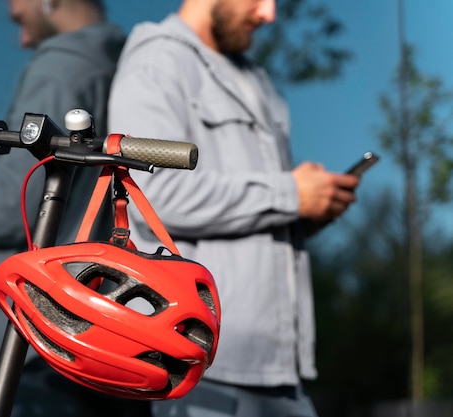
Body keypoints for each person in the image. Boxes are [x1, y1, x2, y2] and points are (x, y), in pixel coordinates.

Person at [107, 0, 361, 416]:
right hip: (204, 369)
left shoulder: (255, 78)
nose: (269, 14)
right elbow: (153, 195)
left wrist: (307, 208)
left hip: (280, 372)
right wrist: (288, 195)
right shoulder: (158, 60)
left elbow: (252, 215)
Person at [0, 1, 150, 416]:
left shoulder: (63, 67)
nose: (23, 40)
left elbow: (10, 207)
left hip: (39, 336)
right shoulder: (128, 67)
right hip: (107, 327)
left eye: (21, 19)